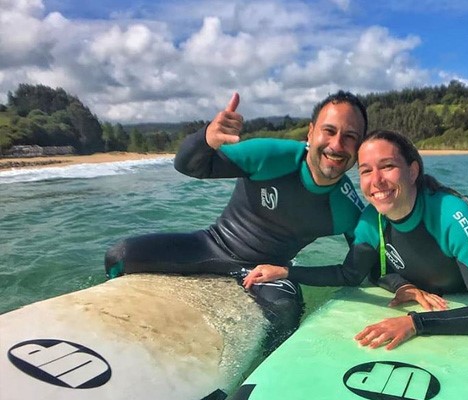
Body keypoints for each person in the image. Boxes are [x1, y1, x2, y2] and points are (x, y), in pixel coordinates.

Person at [104, 90, 368, 347]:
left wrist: (292, 272)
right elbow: (189, 165)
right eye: (329, 131)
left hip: (267, 271)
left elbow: (356, 272)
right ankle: (113, 319)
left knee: (285, 310)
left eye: (349, 137)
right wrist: (206, 137)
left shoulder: (348, 207)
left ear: (359, 147)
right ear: (311, 132)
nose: (336, 145)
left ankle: (260, 379)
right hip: (212, 245)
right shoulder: (272, 155)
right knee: (119, 256)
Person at [243, 129, 468, 350]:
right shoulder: (370, 219)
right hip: (431, 278)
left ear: (412, 171)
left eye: (387, 166)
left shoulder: (451, 216)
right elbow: (352, 274)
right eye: (365, 171)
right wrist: (285, 271)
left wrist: (415, 323)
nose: (376, 181)